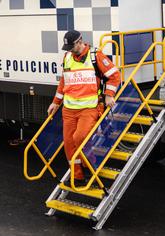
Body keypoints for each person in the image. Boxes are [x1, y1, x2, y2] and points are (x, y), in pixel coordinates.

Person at [47, 30, 121, 185]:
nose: (69, 49)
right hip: (69, 109)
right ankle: (77, 176)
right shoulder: (67, 56)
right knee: (69, 143)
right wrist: (55, 102)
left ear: (80, 42)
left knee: (80, 138)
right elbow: (64, 82)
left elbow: (115, 75)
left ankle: (91, 170)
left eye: (71, 46)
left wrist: (108, 95)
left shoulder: (95, 56)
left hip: (89, 108)